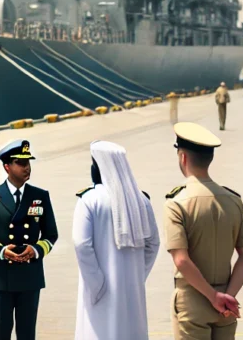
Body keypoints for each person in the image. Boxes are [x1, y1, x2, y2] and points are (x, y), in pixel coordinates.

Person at [164, 122, 243, 339]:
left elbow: (182, 260)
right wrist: (227, 296)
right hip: (226, 299)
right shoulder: (233, 201)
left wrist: (213, 296)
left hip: (193, 300)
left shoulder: (177, 202)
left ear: (183, 157)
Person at [73, 141, 160, 340]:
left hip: (99, 292)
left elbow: (81, 244)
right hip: (132, 292)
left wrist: (97, 283)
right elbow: (153, 244)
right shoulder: (141, 200)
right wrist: (136, 275)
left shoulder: (89, 200)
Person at [0, 139, 58, 340]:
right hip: (1, 275)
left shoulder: (40, 196)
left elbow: (50, 234)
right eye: (20, 163)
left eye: (28, 163)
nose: (26, 168)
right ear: (7, 167)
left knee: (27, 332)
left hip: (30, 275)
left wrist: (36, 250)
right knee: (1, 330)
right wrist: (1, 251)